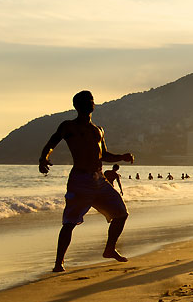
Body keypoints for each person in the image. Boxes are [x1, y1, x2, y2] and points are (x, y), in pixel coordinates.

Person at [39, 90, 133, 272]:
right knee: (69, 222)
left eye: (92, 99)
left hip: (99, 179)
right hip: (80, 179)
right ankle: (59, 263)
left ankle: (109, 249)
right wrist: (44, 158)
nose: (91, 102)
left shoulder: (98, 130)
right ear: (77, 106)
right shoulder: (68, 126)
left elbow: (104, 155)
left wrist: (122, 156)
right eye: (87, 100)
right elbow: (51, 143)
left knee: (121, 214)